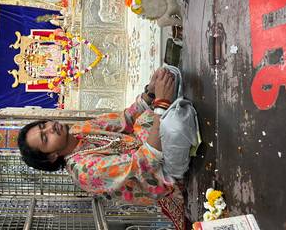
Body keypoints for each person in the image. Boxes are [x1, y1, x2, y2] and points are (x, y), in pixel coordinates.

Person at [18, 66, 200, 230]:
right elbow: (144, 162)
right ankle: (178, 116)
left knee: (168, 73)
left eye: (44, 125)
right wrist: (161, 106)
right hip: (164, 172)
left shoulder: (78, 130)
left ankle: (177, 113)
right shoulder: (83, 171)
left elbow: (126, 119)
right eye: (45, 137)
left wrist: (151, 92)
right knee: (175, 124)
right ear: (51, 156)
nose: (50, 128)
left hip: (151, 141)